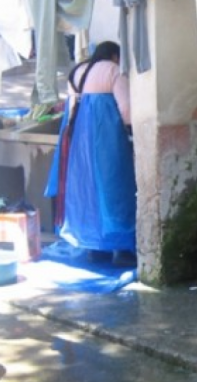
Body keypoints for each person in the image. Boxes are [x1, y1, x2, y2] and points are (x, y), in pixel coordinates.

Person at [47, 41, 136, 266]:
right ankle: (123, 248)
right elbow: (126, 110)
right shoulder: (113, 71)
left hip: (79, 143)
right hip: (107, 139)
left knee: (87, 193)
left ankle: (95, 249)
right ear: (115, 56)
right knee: (114, 190)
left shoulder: (77, 71)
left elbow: (71, 108)